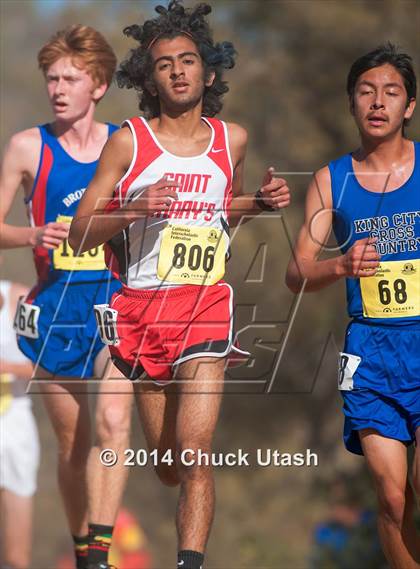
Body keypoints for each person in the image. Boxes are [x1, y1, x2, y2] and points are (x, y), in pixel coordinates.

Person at [69, 2, 290, 567]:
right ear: (150, 78)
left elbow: (221, 210)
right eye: (163, 64)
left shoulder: (231, 138)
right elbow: (80, 232)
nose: (177, 71)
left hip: (206, 305)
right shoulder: (129, 142)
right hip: (143, 311)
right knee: (168, 466)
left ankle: (189, 561)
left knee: (195, 452)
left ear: (209, 72)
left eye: (187, 60)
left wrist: (257, 204)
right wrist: (134, 208)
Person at [0, 26, 133, 569]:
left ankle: (100, 548)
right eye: (52, 78)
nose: (58, 88)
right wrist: (31, 235)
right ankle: (83, 552)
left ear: (97, 85)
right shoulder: (28, 147)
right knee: (73, 447)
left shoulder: (123, 142)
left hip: (115, 303)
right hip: (54, 309)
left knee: (113, 421)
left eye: (71, 79)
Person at [286, 43, 419, 569]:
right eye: (367, 92)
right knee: (391, 497)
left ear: (409, 106)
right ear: (351, 103)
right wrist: (339, 266)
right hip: (371, 351)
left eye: (392, 93)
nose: (378, 102)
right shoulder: (331, 180)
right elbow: (296, 273)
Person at [0, 278, 40, 569]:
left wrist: (6, 367)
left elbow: (44, 364)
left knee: (16, 558)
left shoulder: (22, 300)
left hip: (14, 423)